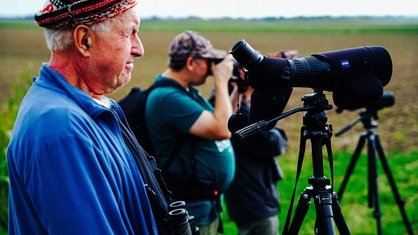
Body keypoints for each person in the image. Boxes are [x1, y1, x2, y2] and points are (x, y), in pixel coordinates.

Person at [7, 0, 163, 234]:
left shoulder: (91, 107)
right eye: (130, 33)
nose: (139, 48)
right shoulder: (61, 128)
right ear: (84, 41)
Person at [145, 30, 236, 234]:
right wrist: (221, 81)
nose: (211, 68)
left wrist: (235, 84)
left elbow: (224, 118)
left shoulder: (186, 92)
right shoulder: (167, 97)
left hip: (206, 204)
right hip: (192, 210)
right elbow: (222, 129)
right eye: (208, 61)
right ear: (191, 62)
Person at [220, 58, 289, 235]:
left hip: (250, 197)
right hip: (254, 201)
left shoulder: (225, 104)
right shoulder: (239, 116)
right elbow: (274, 144)